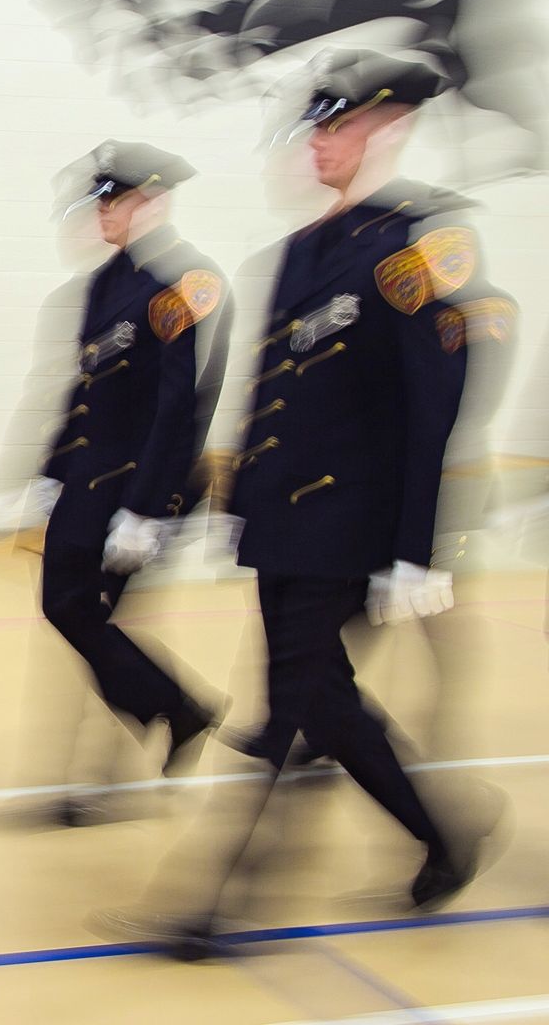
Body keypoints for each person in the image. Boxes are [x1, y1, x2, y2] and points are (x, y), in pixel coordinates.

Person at [122, 50, 509, 955]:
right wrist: (239, 505)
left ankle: (219, 901)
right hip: (287, 524)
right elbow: (274, 396)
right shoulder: (300, 252)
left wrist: (420, 548)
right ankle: (445, 835)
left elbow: (437, 399)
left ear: (387, 128)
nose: (319, 146)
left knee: (291, 706)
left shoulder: (421, 238)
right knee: (321, 705)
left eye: (336, 128)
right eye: (315, 129)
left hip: (355, 526)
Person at [33, 142, 226, 781]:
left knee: (87, 612)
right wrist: (51, 468)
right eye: (99, 202)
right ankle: (172, 709)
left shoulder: (185, 281)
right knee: (65, 607)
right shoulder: (104, 284)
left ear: (151, 200)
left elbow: (181, 405)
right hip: (89, 481)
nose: (101, 214)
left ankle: (138, 738)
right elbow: (84, 385)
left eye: (113, 201)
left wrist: (147, 510)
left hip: (140, 485)